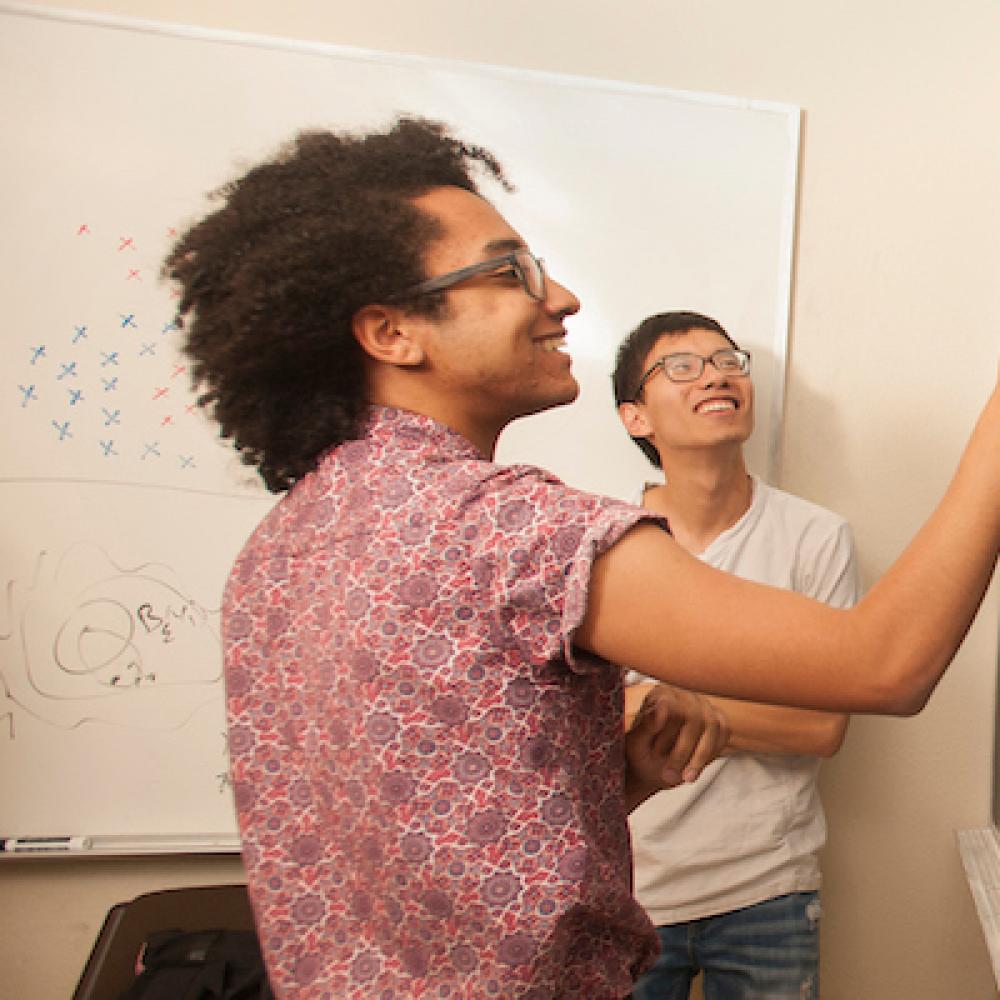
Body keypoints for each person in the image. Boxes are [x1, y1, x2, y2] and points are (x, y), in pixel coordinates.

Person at [164, 117, 1000, 999]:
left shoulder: (279, 550)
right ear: (393, 334)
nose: (557, 296)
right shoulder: (506, 529)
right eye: (508, 272)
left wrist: (609, 782)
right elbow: (886, 664)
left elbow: (432, 846)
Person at [613, 311, 859, 999]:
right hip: (628, 887)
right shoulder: (602, 542)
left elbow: (820, 729)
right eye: (682, 366)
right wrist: (754, 710)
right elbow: (583, 725)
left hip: (768, 885)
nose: (717, 375)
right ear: (636, 416)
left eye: (728, 361)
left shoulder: (816, 537)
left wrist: (655, 703)